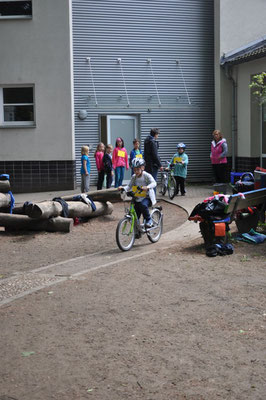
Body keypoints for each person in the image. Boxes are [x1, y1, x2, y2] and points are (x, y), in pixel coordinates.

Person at [118, 158, 156, 228]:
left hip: (147, 197)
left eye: (138, 169)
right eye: (134, 170)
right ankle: (137, 230)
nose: (136, 172)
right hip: (137, 197)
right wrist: (123, 188)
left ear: (142, 168)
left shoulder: (146, 175)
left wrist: (147, 187)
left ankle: (149, 220)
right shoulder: (134, 177)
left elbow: (154, 183)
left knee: (143, 205)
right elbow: (129, 186)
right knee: (135, 213)